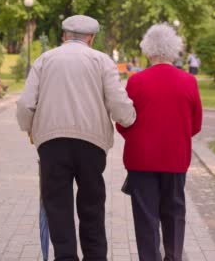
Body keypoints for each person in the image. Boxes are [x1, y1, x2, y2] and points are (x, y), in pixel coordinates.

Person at [17, 15, 137, 261]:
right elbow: (118, 103)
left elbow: (25, 104)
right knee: (92, 205)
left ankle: (65, 257)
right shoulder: (102, 61)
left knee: (57, 205)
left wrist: (29, 128)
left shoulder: (45, 60)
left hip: (51, 143)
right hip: (91, 144)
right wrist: (129, 119)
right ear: (91, 38)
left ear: (64, 36)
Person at [116, 23, 203, 261]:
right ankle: (174, 257)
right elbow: (195, 125)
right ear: (174, 50)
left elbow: (123, 123)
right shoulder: (188, 82)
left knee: (146, 217)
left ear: (148, 50)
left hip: (141, 160)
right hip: (175, 158)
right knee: (174, 212)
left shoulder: (136, 82)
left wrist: (138, 138)